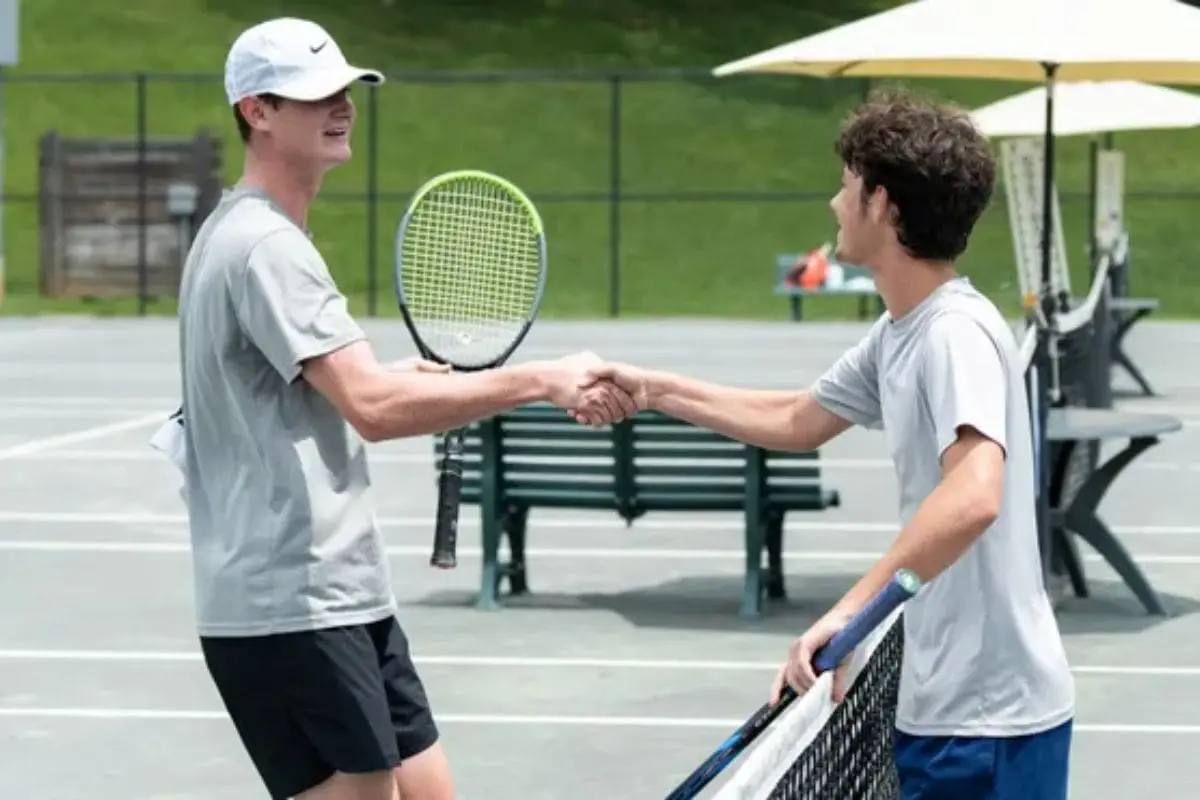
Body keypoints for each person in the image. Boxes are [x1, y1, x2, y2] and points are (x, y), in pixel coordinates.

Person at [173, 17, 634, 800]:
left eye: (346, 89)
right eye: (315, 94)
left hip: (341, 595)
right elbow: (375, 409)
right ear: (256, 110)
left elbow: (323, 389)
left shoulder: (248, 235)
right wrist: (540, 380)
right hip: (292, 605)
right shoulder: (266, 248)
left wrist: (399, 381)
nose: (342, 105)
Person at [576, 90, 1076, 799]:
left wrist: (849, 612)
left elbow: (973, 495)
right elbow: (797, 418)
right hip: (946, 704)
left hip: (990, 719)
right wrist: (650, 389)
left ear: (882, 203)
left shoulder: (953, 334)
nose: (834, 202)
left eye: (846, 185)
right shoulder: (902, 330)